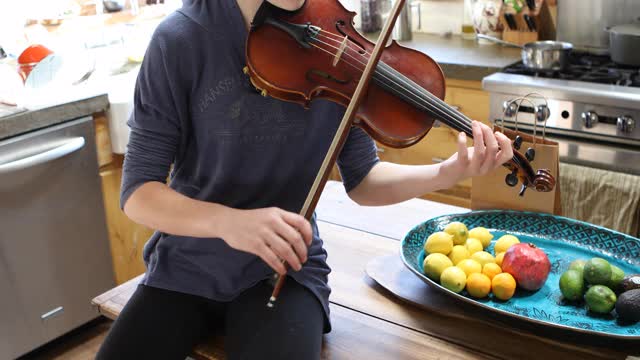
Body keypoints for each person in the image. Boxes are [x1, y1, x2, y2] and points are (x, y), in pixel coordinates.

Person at [95, 0, 514, 359]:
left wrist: (448, 171)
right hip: (186, 264)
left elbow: (364, 179)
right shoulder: (180, 40)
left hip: (284, 268)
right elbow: (139, 192)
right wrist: (231, 222)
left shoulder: (337, 46)